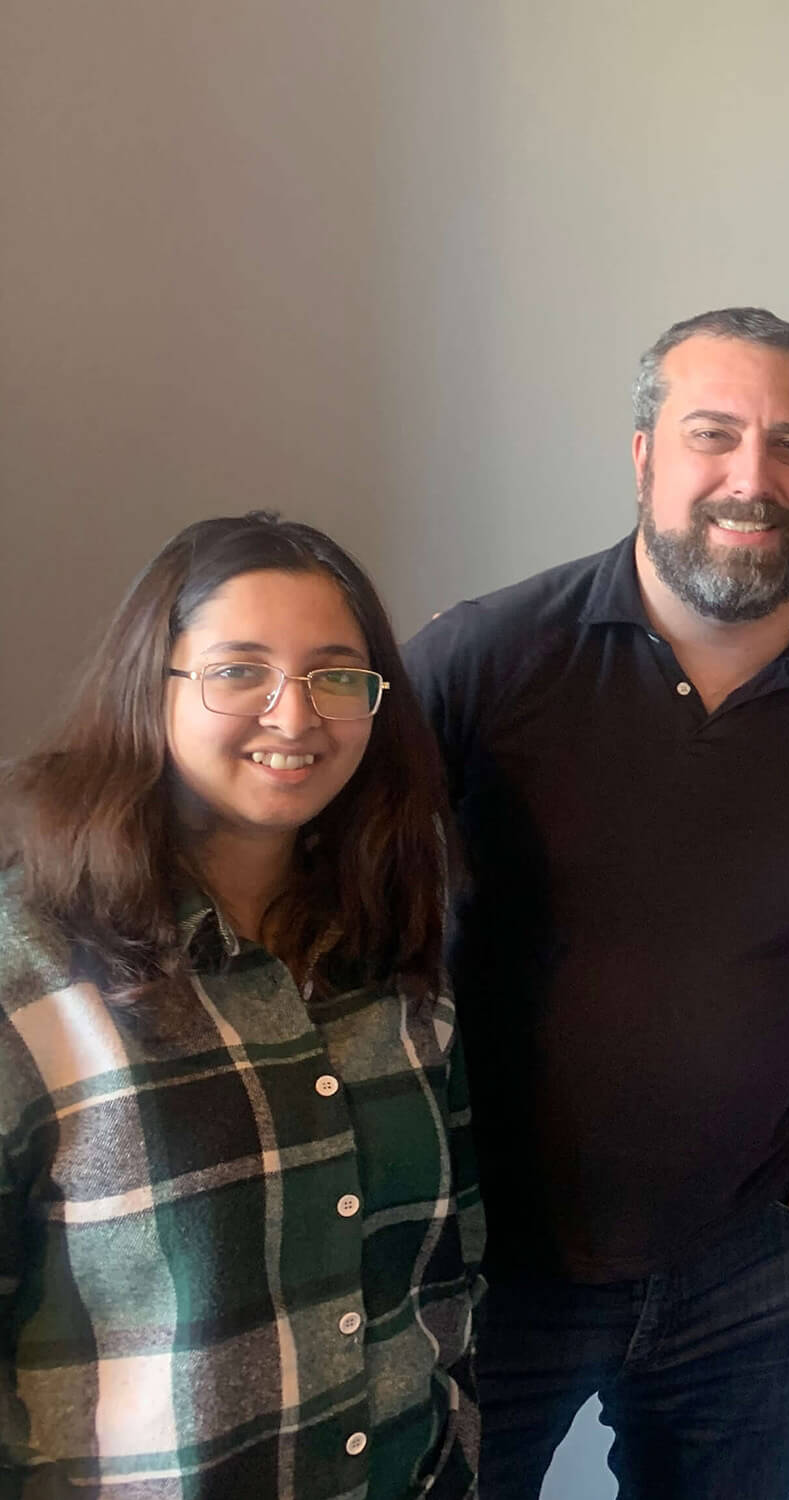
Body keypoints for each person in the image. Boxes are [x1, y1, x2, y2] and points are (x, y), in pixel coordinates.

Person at [403, 306, 789, 1499]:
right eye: (715, 435)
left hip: (750, 1267)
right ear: (645, 452)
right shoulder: (480, 664)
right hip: (487, 1260)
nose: (752, 479)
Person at [0, 512, 481, 1497]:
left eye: (337, 676)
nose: (295, 716)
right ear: (155, 682)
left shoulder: (390, 952)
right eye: (240, 669)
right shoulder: (31, 972)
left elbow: (441, 1275)